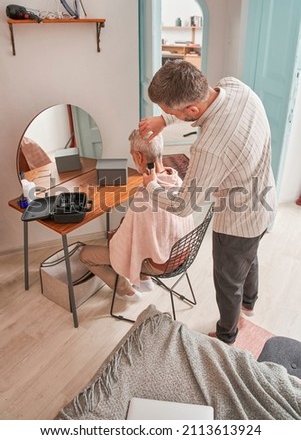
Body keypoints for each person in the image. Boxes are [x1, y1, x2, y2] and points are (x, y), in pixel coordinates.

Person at [139, 60, 277, 344]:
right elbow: (198, 106)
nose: (166, 115)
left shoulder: (209, 148)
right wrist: (164, 120)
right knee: (249, 257)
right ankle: (250, 302)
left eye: (168, 111)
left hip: (237, 221)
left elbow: (184, 206)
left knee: (227, 282)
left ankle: (227, 335)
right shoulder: (235, 87)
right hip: (266, 202)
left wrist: (151, 187)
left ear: (190, 111)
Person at [80, 128, 194, 301]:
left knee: (86, 254)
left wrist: (114, 237)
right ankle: (144, 280)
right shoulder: (176, 179)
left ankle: (127, 291)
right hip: (182, 254)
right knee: (127, 222)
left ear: (139, 157)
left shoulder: (146, 195)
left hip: (161, 264)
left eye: (133, 155)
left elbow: (123, 245)